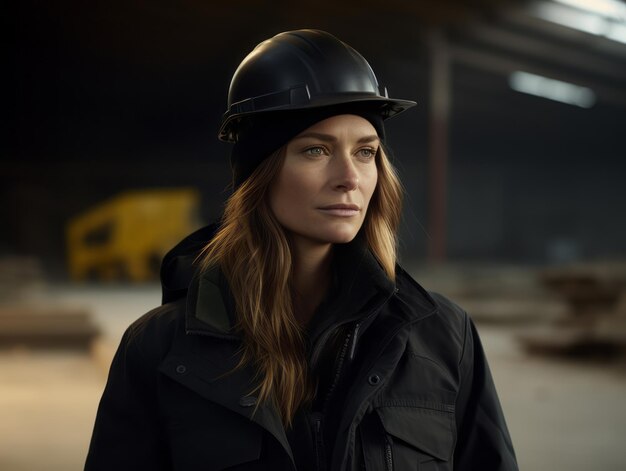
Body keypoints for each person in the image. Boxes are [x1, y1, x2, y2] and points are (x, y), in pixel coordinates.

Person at [85, 29, 518, 471]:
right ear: (260, 174)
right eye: (316, 150)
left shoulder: (445, 337)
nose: (349, 177)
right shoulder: (158, 348)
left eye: (365, 152)